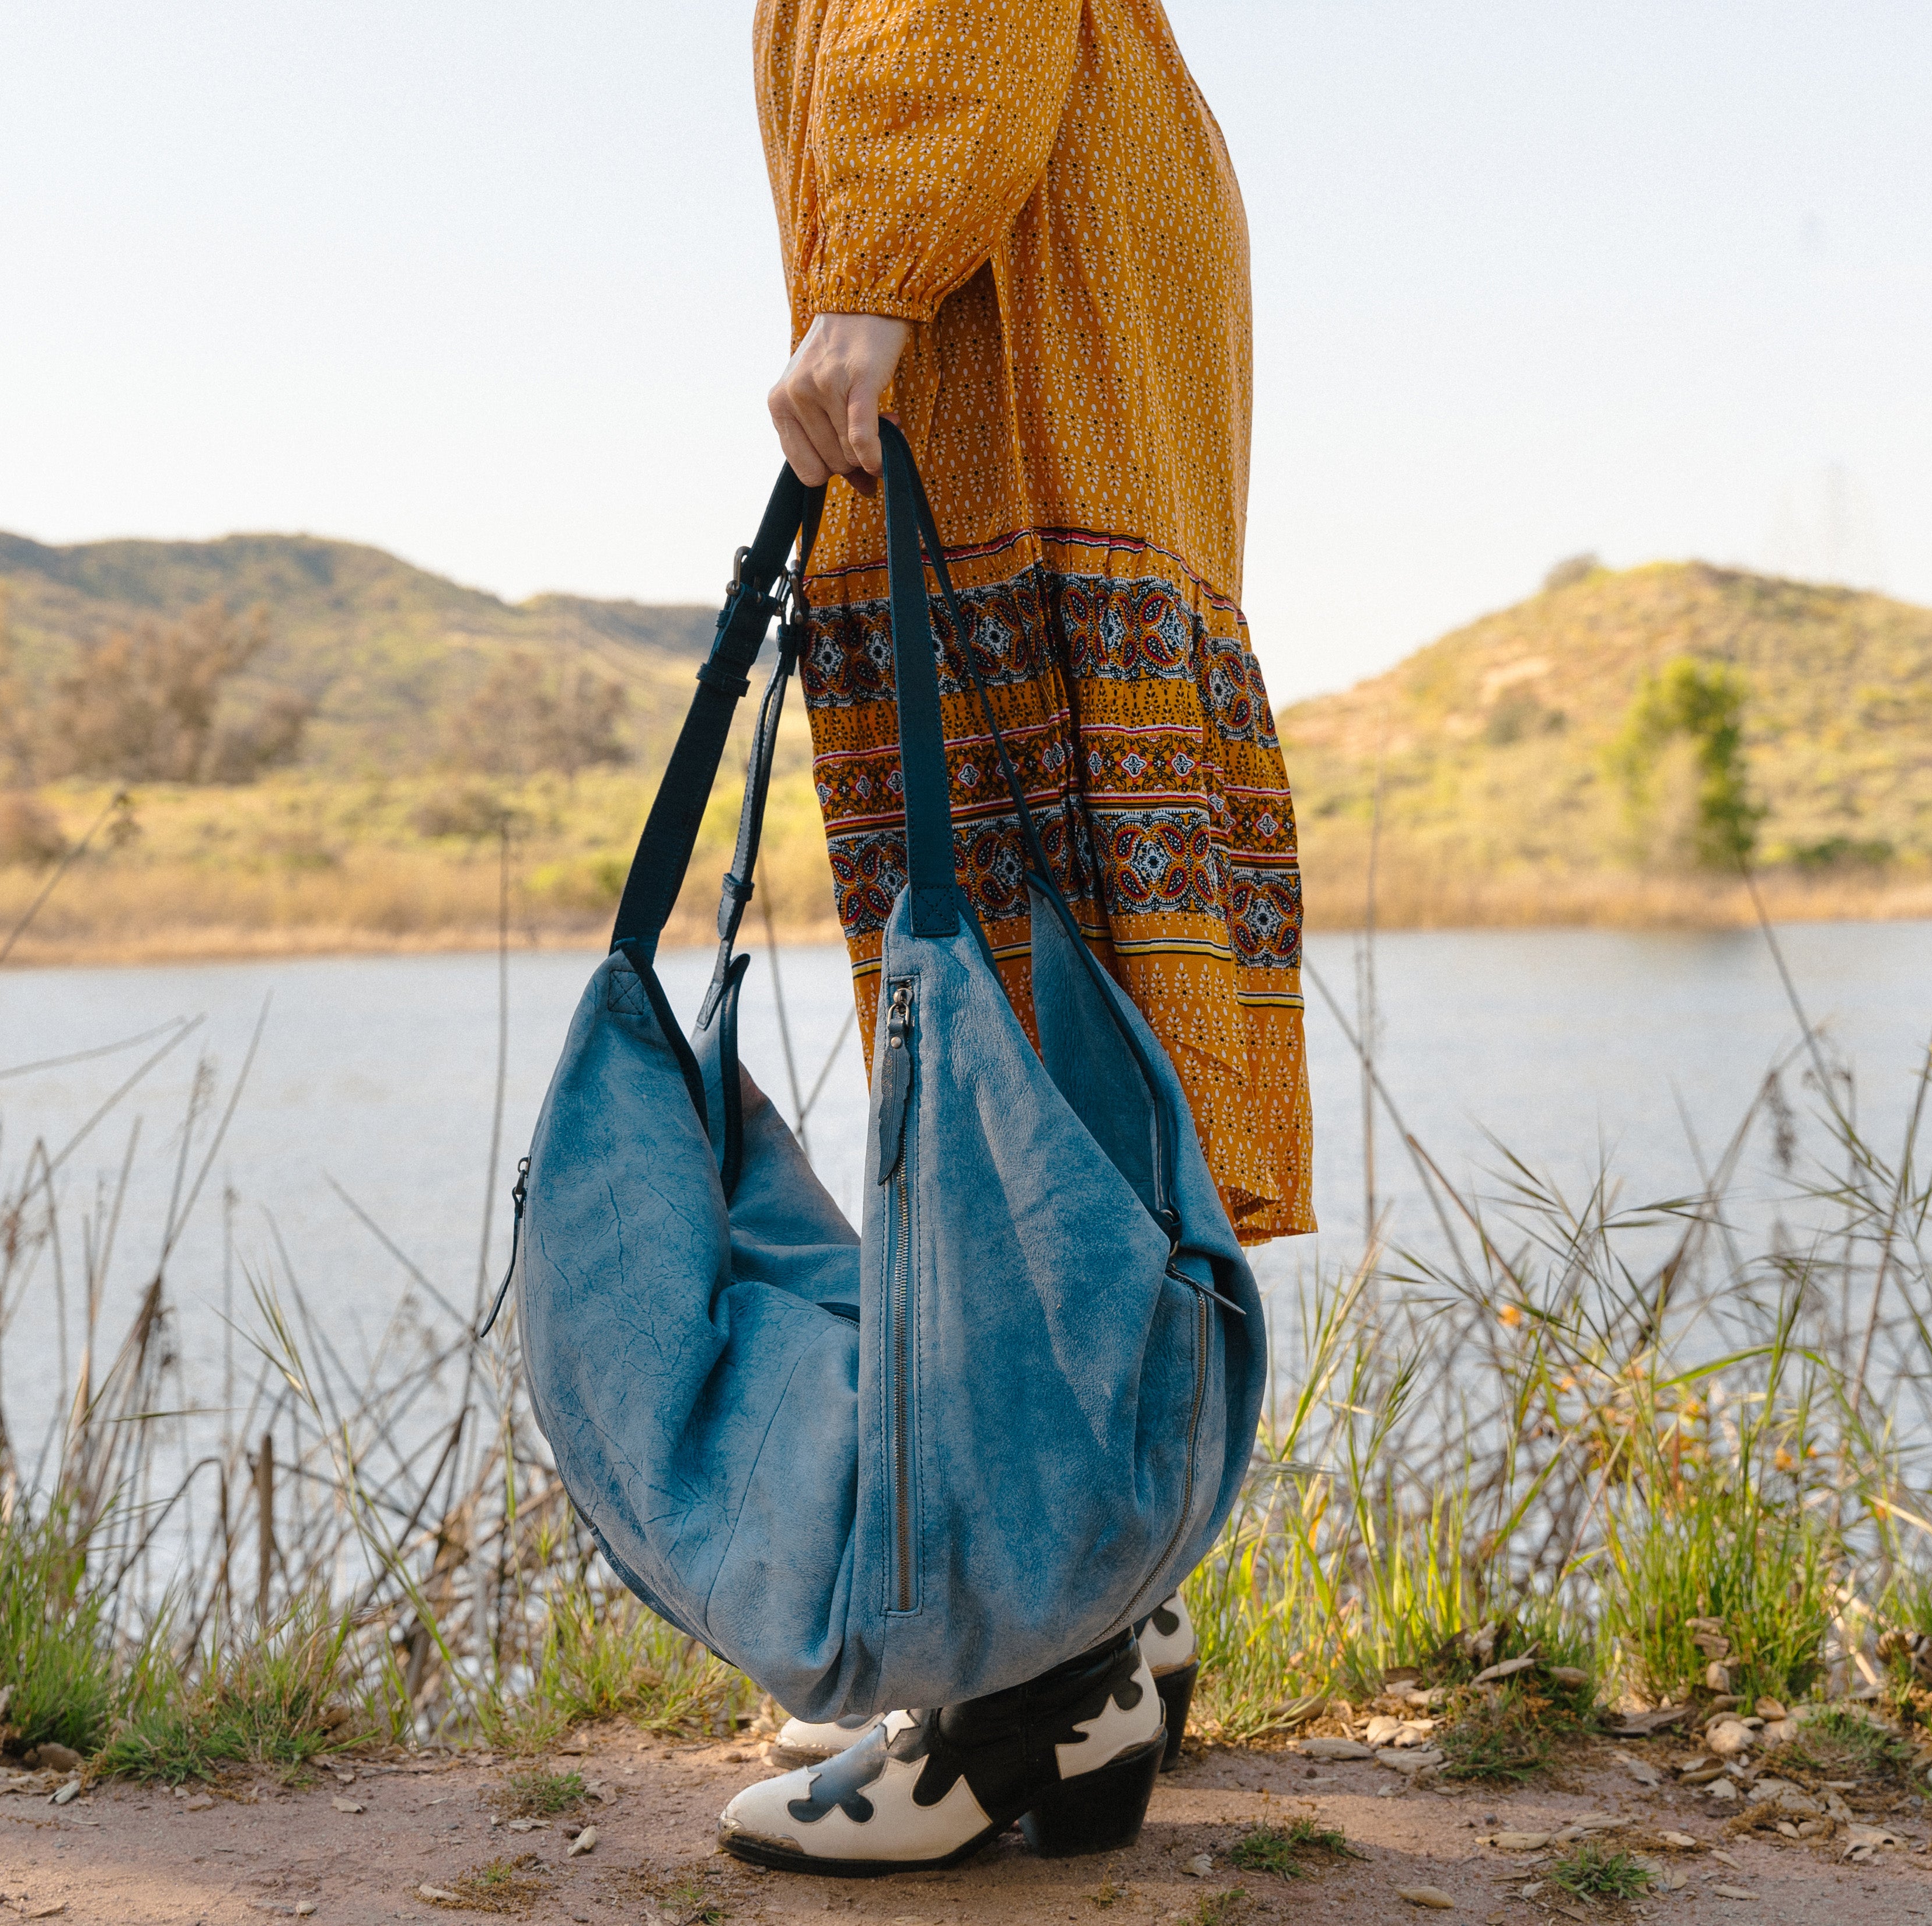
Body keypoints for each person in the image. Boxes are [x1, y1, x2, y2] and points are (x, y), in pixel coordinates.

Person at [717, 0, 1312, 1875]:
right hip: (1052, 216)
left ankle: (1027, 1684)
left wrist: (878, 261)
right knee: (1064, 951)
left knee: (1017, 970)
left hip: (1003, 259)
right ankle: (1101, 1612)